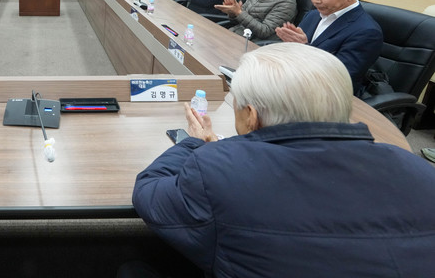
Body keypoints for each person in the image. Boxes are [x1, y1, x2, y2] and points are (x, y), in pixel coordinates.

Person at [133, 43, 435, 278]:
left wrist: (195, 142)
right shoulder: (419, 170)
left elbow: (149, 192)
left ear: (251, 116)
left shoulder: (217, 169)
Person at [276, 0, 382, 95]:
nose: (315, 1)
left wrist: (305, 48)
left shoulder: (367, 31)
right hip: (293, 82)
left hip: (327, 95)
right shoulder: (313, 15)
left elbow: (340, 77)